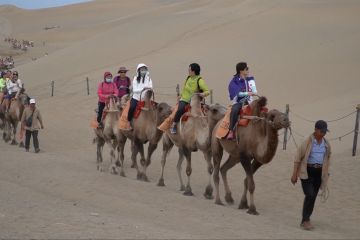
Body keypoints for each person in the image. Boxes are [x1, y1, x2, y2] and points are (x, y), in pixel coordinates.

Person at [291, 120, 331, 230]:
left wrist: (325, 172)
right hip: (307, 171)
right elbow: (297, 157)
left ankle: (306, 219)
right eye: (321, 131)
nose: (323, 133)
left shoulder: (326, 144)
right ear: (315, 130)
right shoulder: (307, 141)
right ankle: (305, 220)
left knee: (313, 197)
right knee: (310, 194)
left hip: (319, 173)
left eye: (324, 131)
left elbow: (327, 158)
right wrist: (294, 174)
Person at [170, 63, 210, 134]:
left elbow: (207, 91)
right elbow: (184, 88)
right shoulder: (188, 78)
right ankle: (174, 124)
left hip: (194, 101)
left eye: (189, 69)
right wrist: (181, 95)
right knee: (181, 109)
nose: (188, 70)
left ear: (193, 71)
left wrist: (202, 94)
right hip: (185, 99)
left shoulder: (199, 80)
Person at [226, 62, 258, 140]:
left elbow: (254, 90)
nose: (248, 70)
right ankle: (231, 131)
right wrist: (248, 93)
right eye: (246, 69)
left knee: (261, 109)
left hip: (250, 102)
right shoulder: (234, 81)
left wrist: (254, 92)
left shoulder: (250, 80)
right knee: (234, 110)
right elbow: (237, 93)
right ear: (241, 71)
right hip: (239, 102)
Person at [127, 63, 153, 130]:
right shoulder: (135, 79)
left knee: (154, 108)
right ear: (138, 70)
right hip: (136, 98)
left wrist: (148, 88)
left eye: (144, 69)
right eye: (142, 69)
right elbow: (135, 90)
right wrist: (144, 88)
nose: (143, 71)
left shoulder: (149, 79)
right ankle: (128, 122)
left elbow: (151, 87)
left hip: (146, 98)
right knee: (132, 107)